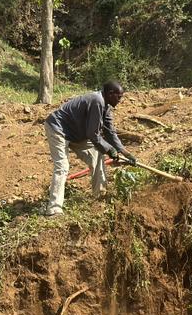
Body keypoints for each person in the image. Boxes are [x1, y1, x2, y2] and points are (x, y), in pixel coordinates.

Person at [43, 80, 134, 216]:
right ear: (110, 94)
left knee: (98, 157)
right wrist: (109, 150)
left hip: (77, 133)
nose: (120, 100)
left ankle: (100, 198)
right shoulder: (97, 101)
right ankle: (54, 208)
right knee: (62, 166)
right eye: (119, 97)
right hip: (58, 129)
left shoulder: (107, 106)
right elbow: (93, 134)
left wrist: (125, 153)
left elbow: (110, 132)